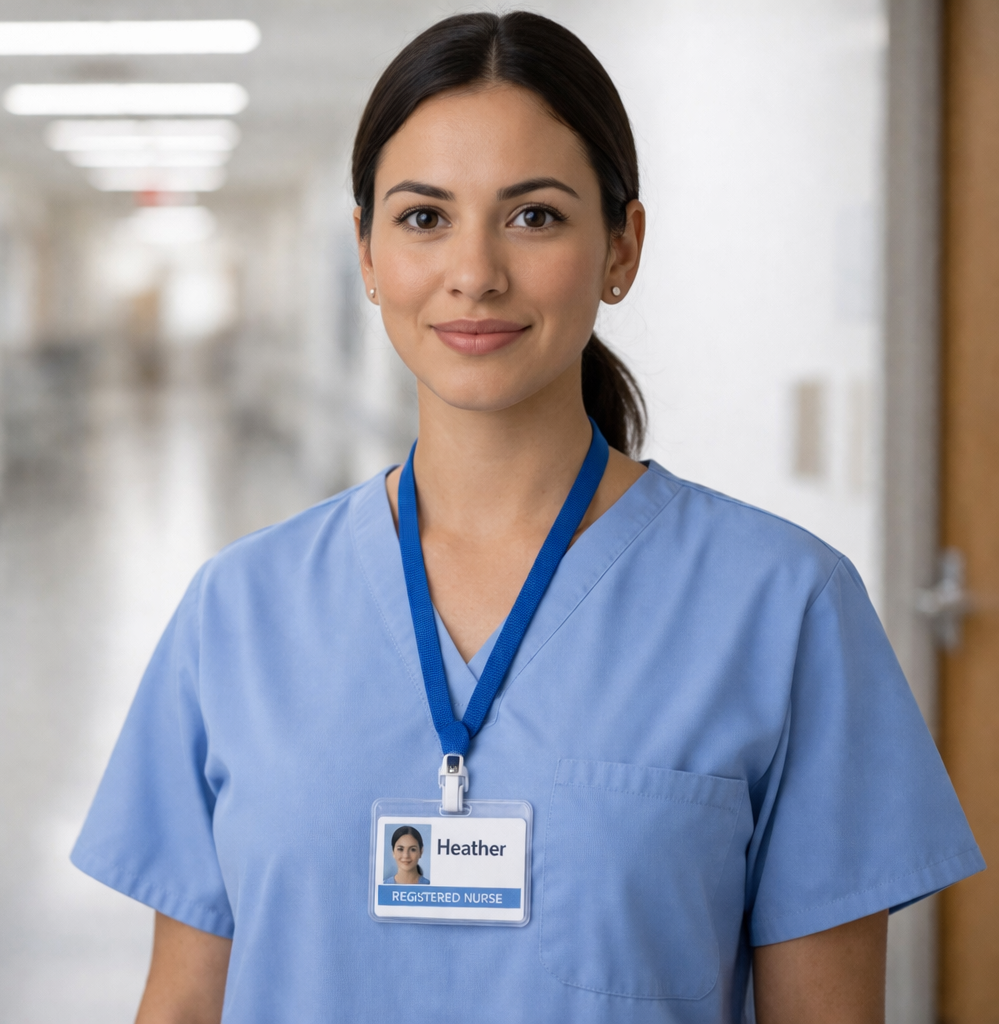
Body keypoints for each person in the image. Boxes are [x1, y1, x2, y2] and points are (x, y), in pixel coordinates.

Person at [71, 11, 982, 1024]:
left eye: (534, 215)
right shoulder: (239, 611)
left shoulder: (782, 608)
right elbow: (187, 999)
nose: (475, 272)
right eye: (423, 217)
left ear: (621, 248)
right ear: (367, 254)